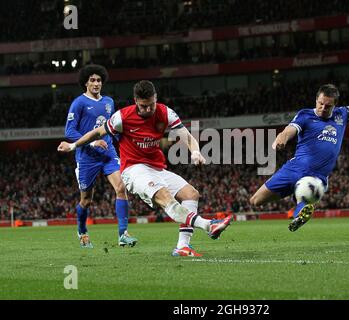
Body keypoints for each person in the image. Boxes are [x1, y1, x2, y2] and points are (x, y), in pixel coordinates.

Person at [58, 80, 233, 256]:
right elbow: (96, 133)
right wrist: (73, 146)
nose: (148, 109)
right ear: (136, 101)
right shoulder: (122, 117)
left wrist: (195, 151)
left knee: (191, 194)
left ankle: (182, 246)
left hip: (156, 168)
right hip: (133, 170)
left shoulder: (165, 112)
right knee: (166, 198)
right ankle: (208, 225)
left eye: (151, 105)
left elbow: (186, 136)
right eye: (143, 106)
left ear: (155, 98)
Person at [250, 83, 349, 231]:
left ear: (335, 105)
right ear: (316, 100)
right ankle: (296, 193)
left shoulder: (342, 115)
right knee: (256, 201)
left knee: (305, 199)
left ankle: (302, 206)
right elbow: (290, 129)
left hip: (317, 177)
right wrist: (282, 137)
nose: (323, 108)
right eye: (320, 103)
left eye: (328, 106)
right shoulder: (305, 115)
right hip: (294, 169)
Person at [64, 64, 137, 248]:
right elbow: (69, 131)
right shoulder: (79, 103)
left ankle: (123, 234)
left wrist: (126, 140)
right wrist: (92, 141)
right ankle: (82, 231)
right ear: (86, 83)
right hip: (87, 156)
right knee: (86, 200)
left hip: (108, 153)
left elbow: (112, 128)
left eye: (99, 80)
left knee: (121, 187)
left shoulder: (109, 102)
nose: (96, 83)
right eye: (92, 80)